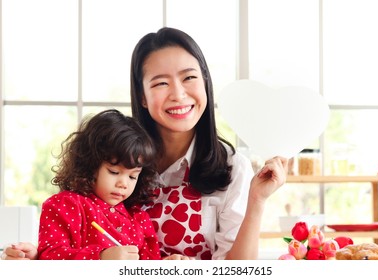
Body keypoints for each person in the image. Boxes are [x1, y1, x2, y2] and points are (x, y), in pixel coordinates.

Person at [2, 27, 288, 260]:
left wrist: (257, 201)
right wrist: (39, 255)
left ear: (205, 83)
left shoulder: (231, 167)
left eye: (189, 78)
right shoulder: (118, 152)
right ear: (141, 96)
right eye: (161, 83)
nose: (178, 94)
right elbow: (76, 226)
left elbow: (238, 271)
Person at [37, 109, 162, 260]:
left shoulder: (138, 218)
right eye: (114, 172)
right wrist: (101, 257)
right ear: (91, 165)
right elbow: (49, 257)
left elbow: (149, 268)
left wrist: (168, 265)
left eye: (132, 176)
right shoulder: (65, 205)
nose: (123, 184)